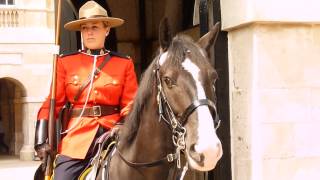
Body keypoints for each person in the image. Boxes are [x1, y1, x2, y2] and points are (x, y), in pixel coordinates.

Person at [34, 1, 138, 179]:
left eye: (95, 27)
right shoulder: (66, 62)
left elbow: (131, 103)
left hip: (113, 135)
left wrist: (122, 124)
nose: (89, 32)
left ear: (107, 30)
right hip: (77, 139)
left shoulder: (123, 64)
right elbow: (52, 103)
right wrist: (40, 141)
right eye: (85, 27)